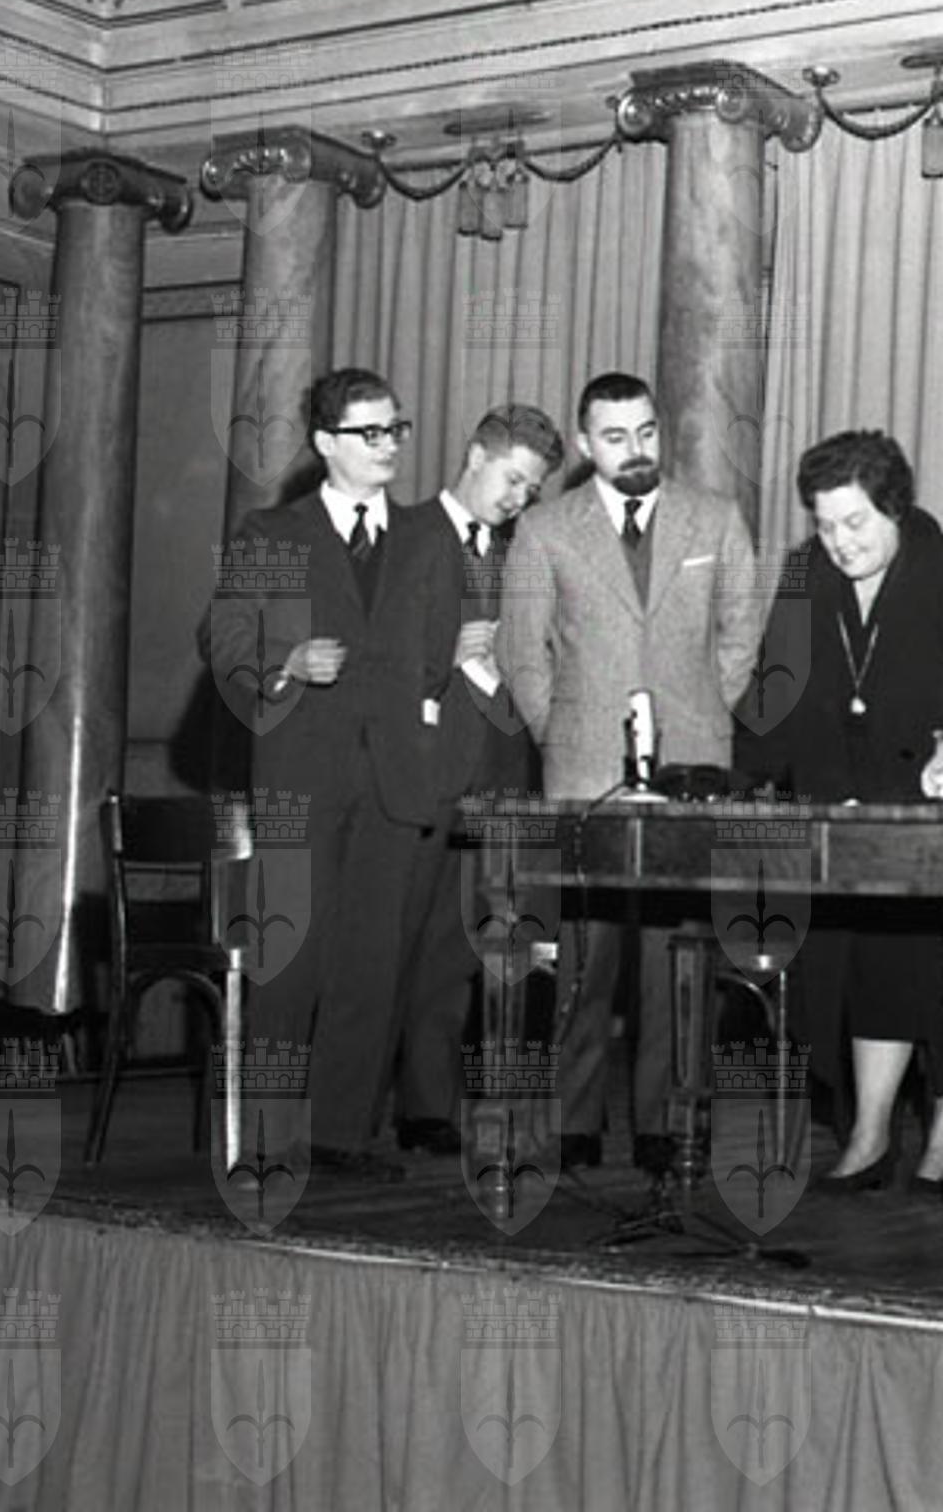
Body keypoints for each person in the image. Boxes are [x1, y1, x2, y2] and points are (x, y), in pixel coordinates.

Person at [735, 430, 943, 1194]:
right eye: (824, 525)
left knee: (937, 956)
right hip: (846, 822)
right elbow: (773, 699)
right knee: (861, 958)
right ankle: (870, 1131)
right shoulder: (805, 575)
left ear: (895, 509)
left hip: (941, 823)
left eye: (854, 523)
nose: (838, 543)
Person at [496, 373, 759, 1175]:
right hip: (583, 775)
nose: (635, 449)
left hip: (690, 772)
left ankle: (667, 1124)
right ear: (585, 445)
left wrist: (699, 717)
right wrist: (561, 736)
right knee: (584, 956)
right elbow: (522, 651)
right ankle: (573, 1122)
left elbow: (740, 635)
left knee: (679, 958)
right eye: (615, 437)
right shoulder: (544, 529)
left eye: (646, 432)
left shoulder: (716, 518)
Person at [208, 367, 458, 1180]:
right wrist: (287, 661)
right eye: (369, 432)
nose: (388, 445)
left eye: (395, 429)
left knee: (371, 964)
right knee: (290, 962)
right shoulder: (270, 532)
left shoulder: (427, 538)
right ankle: (267, 1141)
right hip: (301, 777)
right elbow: (223, 638)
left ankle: (342, 1134)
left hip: (395, 781)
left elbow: (437, 655)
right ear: (324, 442)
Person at [391, 402, 564, 1156]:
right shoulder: (402, 537)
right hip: (423, 778)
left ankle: (472, 1107)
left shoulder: (527, 554)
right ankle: (416, 1105)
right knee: (415, 948)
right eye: (512, 479)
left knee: (480, 951)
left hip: (507, 776)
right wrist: (442, 655)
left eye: (532, 489)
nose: (519, 499)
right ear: (474, 455)